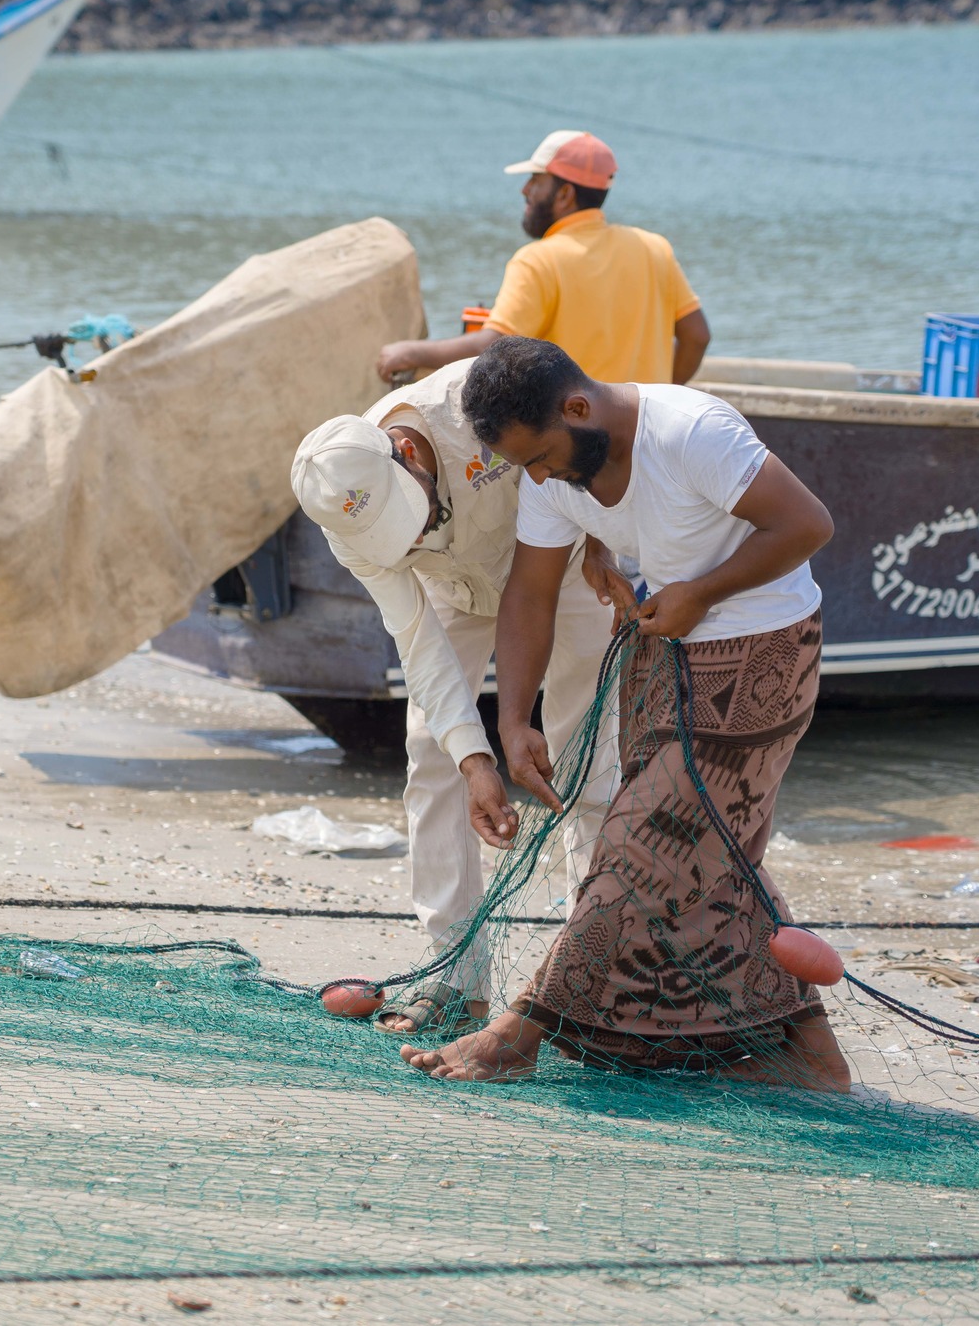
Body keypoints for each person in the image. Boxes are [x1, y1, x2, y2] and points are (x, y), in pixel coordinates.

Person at [400, 336, 850, 1091]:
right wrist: (514, 720)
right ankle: (807, 1051)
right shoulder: (550, 472)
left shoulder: (691, 431)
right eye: (524, 465)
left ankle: (520, 1031)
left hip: (763, 654)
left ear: (578, 407)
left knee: (641, 846)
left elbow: (808, 524)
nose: (538, 476)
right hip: (662, 656)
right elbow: (530, 593)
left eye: (541, 456)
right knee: (710, 857)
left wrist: (700, 592)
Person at [290, 361, 620, 1036]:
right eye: (397, 538)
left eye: (410, 518)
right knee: (433, 753)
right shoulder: (341, 518)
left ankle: (591, 975)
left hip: (562, 566)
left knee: (586, 751)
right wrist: (476, 760)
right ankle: (456, 978)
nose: (411, 538)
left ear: (407, 453)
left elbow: (586, 442)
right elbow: (417, 640)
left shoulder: (480, 400)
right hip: (455, 589)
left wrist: (604, 542)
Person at [374, 130, 711, 386]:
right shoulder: (653, 248)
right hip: (644, 437)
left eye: (536, 180)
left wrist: (409, 352)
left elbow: (493, 347)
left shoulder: (539, 260)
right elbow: (697, 336)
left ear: (565, 194)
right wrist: (663, 392)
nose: (525, 190)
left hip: (576, 444)